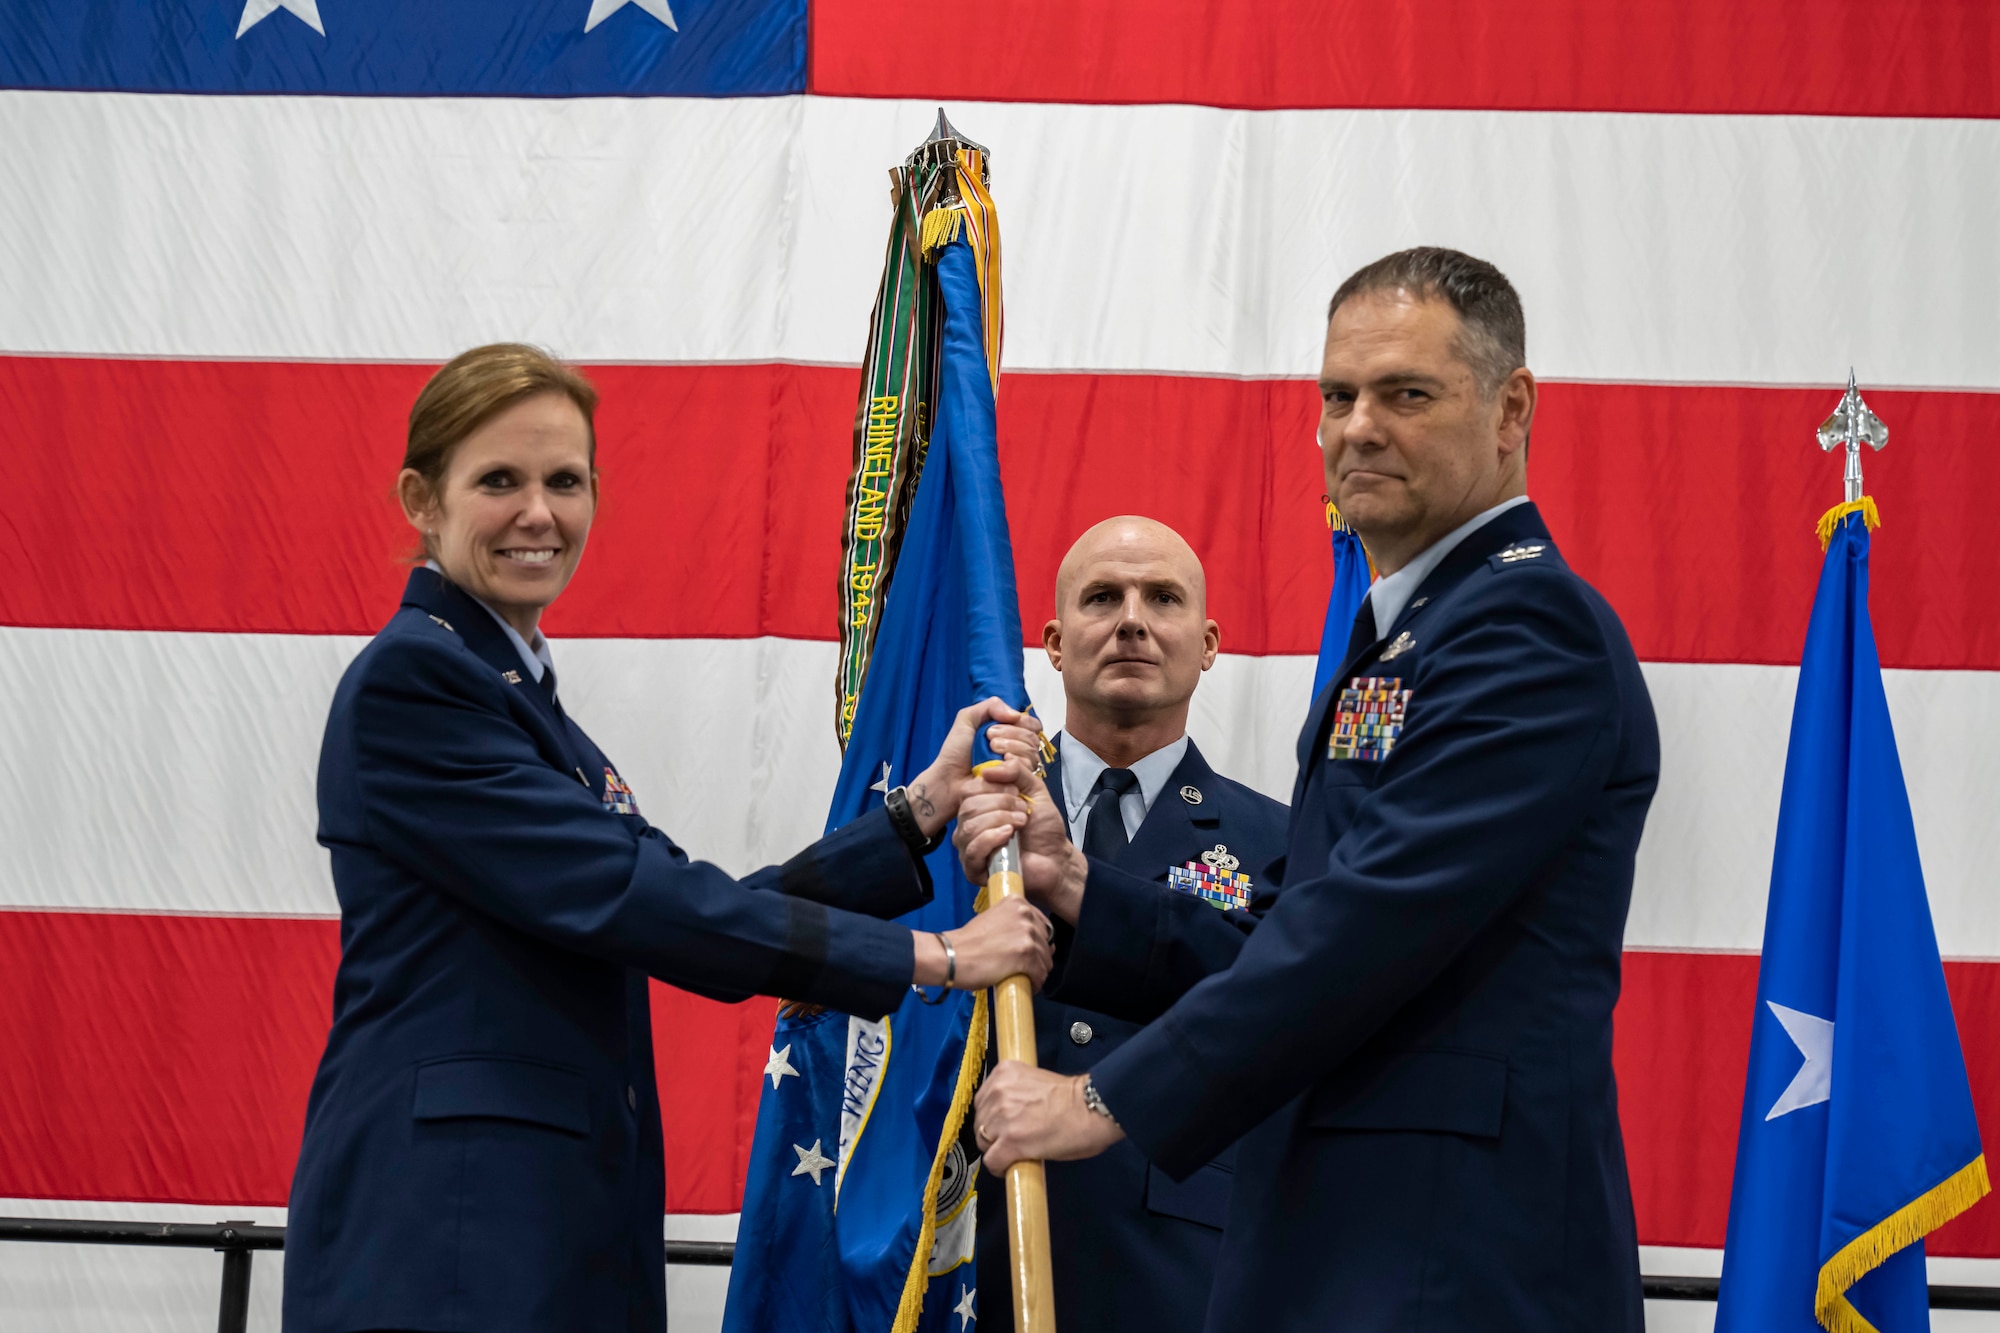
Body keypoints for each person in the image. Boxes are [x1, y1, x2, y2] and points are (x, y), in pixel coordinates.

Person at [283, 344, 1053, 1333]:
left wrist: (913, 815)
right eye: (498, 481)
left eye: (564, 480)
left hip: (530, 1232)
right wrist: (936, 956)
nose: (538, 513)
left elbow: (664, 896)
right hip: (450, 1241)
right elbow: (639, 899)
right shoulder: (417, 686)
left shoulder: (513, 696)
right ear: (420, 500)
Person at [961, 249, 1661, 1331]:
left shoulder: (1528, 629)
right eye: (1338, 395)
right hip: (1358, 1244)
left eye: (1405, 393)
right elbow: (1280, 931)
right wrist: (1079, 884)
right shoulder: (1411, 633)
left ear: (1509, 407)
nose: (1357, 427)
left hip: (1449, 1259)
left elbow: (1362, 925)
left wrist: (1103, 1099)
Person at [972, 517, 1287, 1333]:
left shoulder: (1283, 843)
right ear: (1053, 639)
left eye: (1163, 598)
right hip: (971, 1263)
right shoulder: (973, 813)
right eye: (1103, 596)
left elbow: (1283, 1006)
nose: (1132, 619)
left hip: (1183, 1280)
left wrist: (1074, 883)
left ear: (1210, 641)